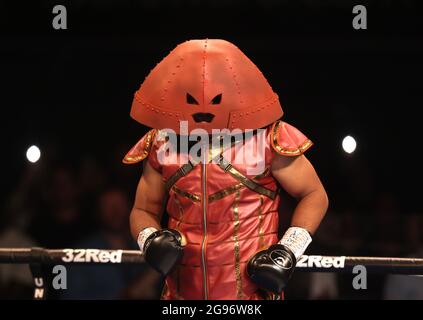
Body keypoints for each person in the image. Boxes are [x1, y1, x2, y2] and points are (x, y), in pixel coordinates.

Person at [124, 39, 328, 300]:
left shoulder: (268, 139)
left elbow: (314, 195)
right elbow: (142, 210)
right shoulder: (161, 143)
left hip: (250, 296)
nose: (205, 108)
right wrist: (149, 239)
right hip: (182, 296)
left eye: (215, 98)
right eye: (192, 98)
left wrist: (287, 251)